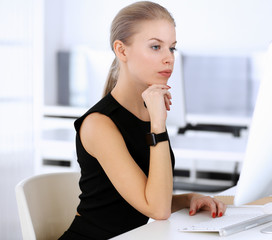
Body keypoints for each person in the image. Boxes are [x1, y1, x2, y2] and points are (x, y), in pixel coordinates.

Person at [59, 1, 226, 239]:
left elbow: (148, 197)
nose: (169, 58)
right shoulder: (99, 124)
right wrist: (158, 124)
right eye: (156, 47)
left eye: (172, 48)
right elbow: (157, 209)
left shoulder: (150, 110)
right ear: (122, 50)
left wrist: (188, 199)